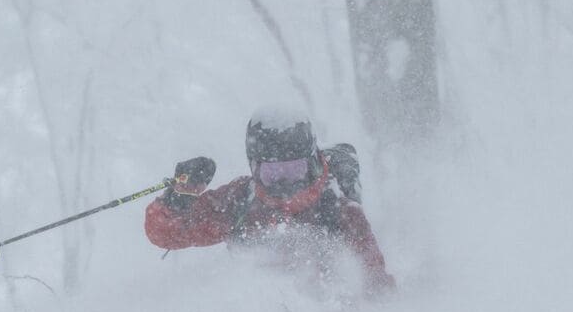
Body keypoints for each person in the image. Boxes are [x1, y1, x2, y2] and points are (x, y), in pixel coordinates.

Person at [145, 110, 395, 295]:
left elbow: (375, 280)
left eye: (294, 170)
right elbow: (168, 233)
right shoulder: (241, 200)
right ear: (254, 168)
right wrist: (181, 194)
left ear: (312, 164)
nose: (284, 183)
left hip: (324, 308)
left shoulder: (338, 209)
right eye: (272, 173)